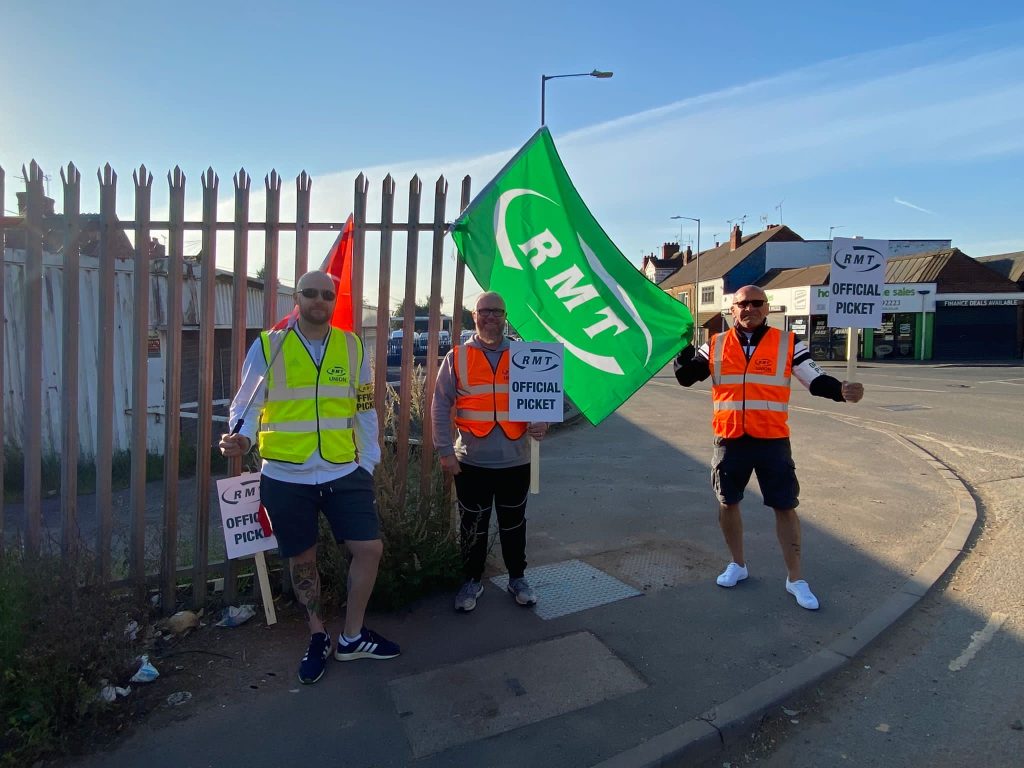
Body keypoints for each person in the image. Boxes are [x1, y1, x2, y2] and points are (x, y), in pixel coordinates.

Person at [219, 270, 399, 685]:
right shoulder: (271, 345)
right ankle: (318, 636)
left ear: (335, 301)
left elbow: (365, 407)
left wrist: (367, 461)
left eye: (327, 295)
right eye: (311, 293)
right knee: (304, 560)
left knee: (369, 548)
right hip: (286, 473)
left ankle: (352, 637)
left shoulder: (352, 346)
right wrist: (242, 439)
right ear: (297, 299)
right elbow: (245, 404)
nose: (319, 300)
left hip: (343, 468)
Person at [674, 285, 864, 610]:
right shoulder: (716, 344)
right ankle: (738, 564)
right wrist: (680, 347)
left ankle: (796, 579)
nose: (749, 308)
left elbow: (814, 380)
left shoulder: (788, 343)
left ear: (767, 307)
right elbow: (688, 377)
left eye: (756, 303)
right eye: (742, 304)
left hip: (772, 440)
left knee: (785, 506)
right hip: (730, 439)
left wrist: (841, 390)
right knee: (727, 502)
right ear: (732, 310)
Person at [431, 291, 549, 613]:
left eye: (496, 311)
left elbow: (540, 398)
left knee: (514, 523)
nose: (490, 317)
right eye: (484, 311)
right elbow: (440, 405)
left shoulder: (528, 354)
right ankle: (472, 580)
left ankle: (518, 578)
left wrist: (540, 422)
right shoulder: (456, 357)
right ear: (474, 316)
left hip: (516, 459)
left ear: (505, 315)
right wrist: (445, 451)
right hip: (471, 461)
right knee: (473, 526)